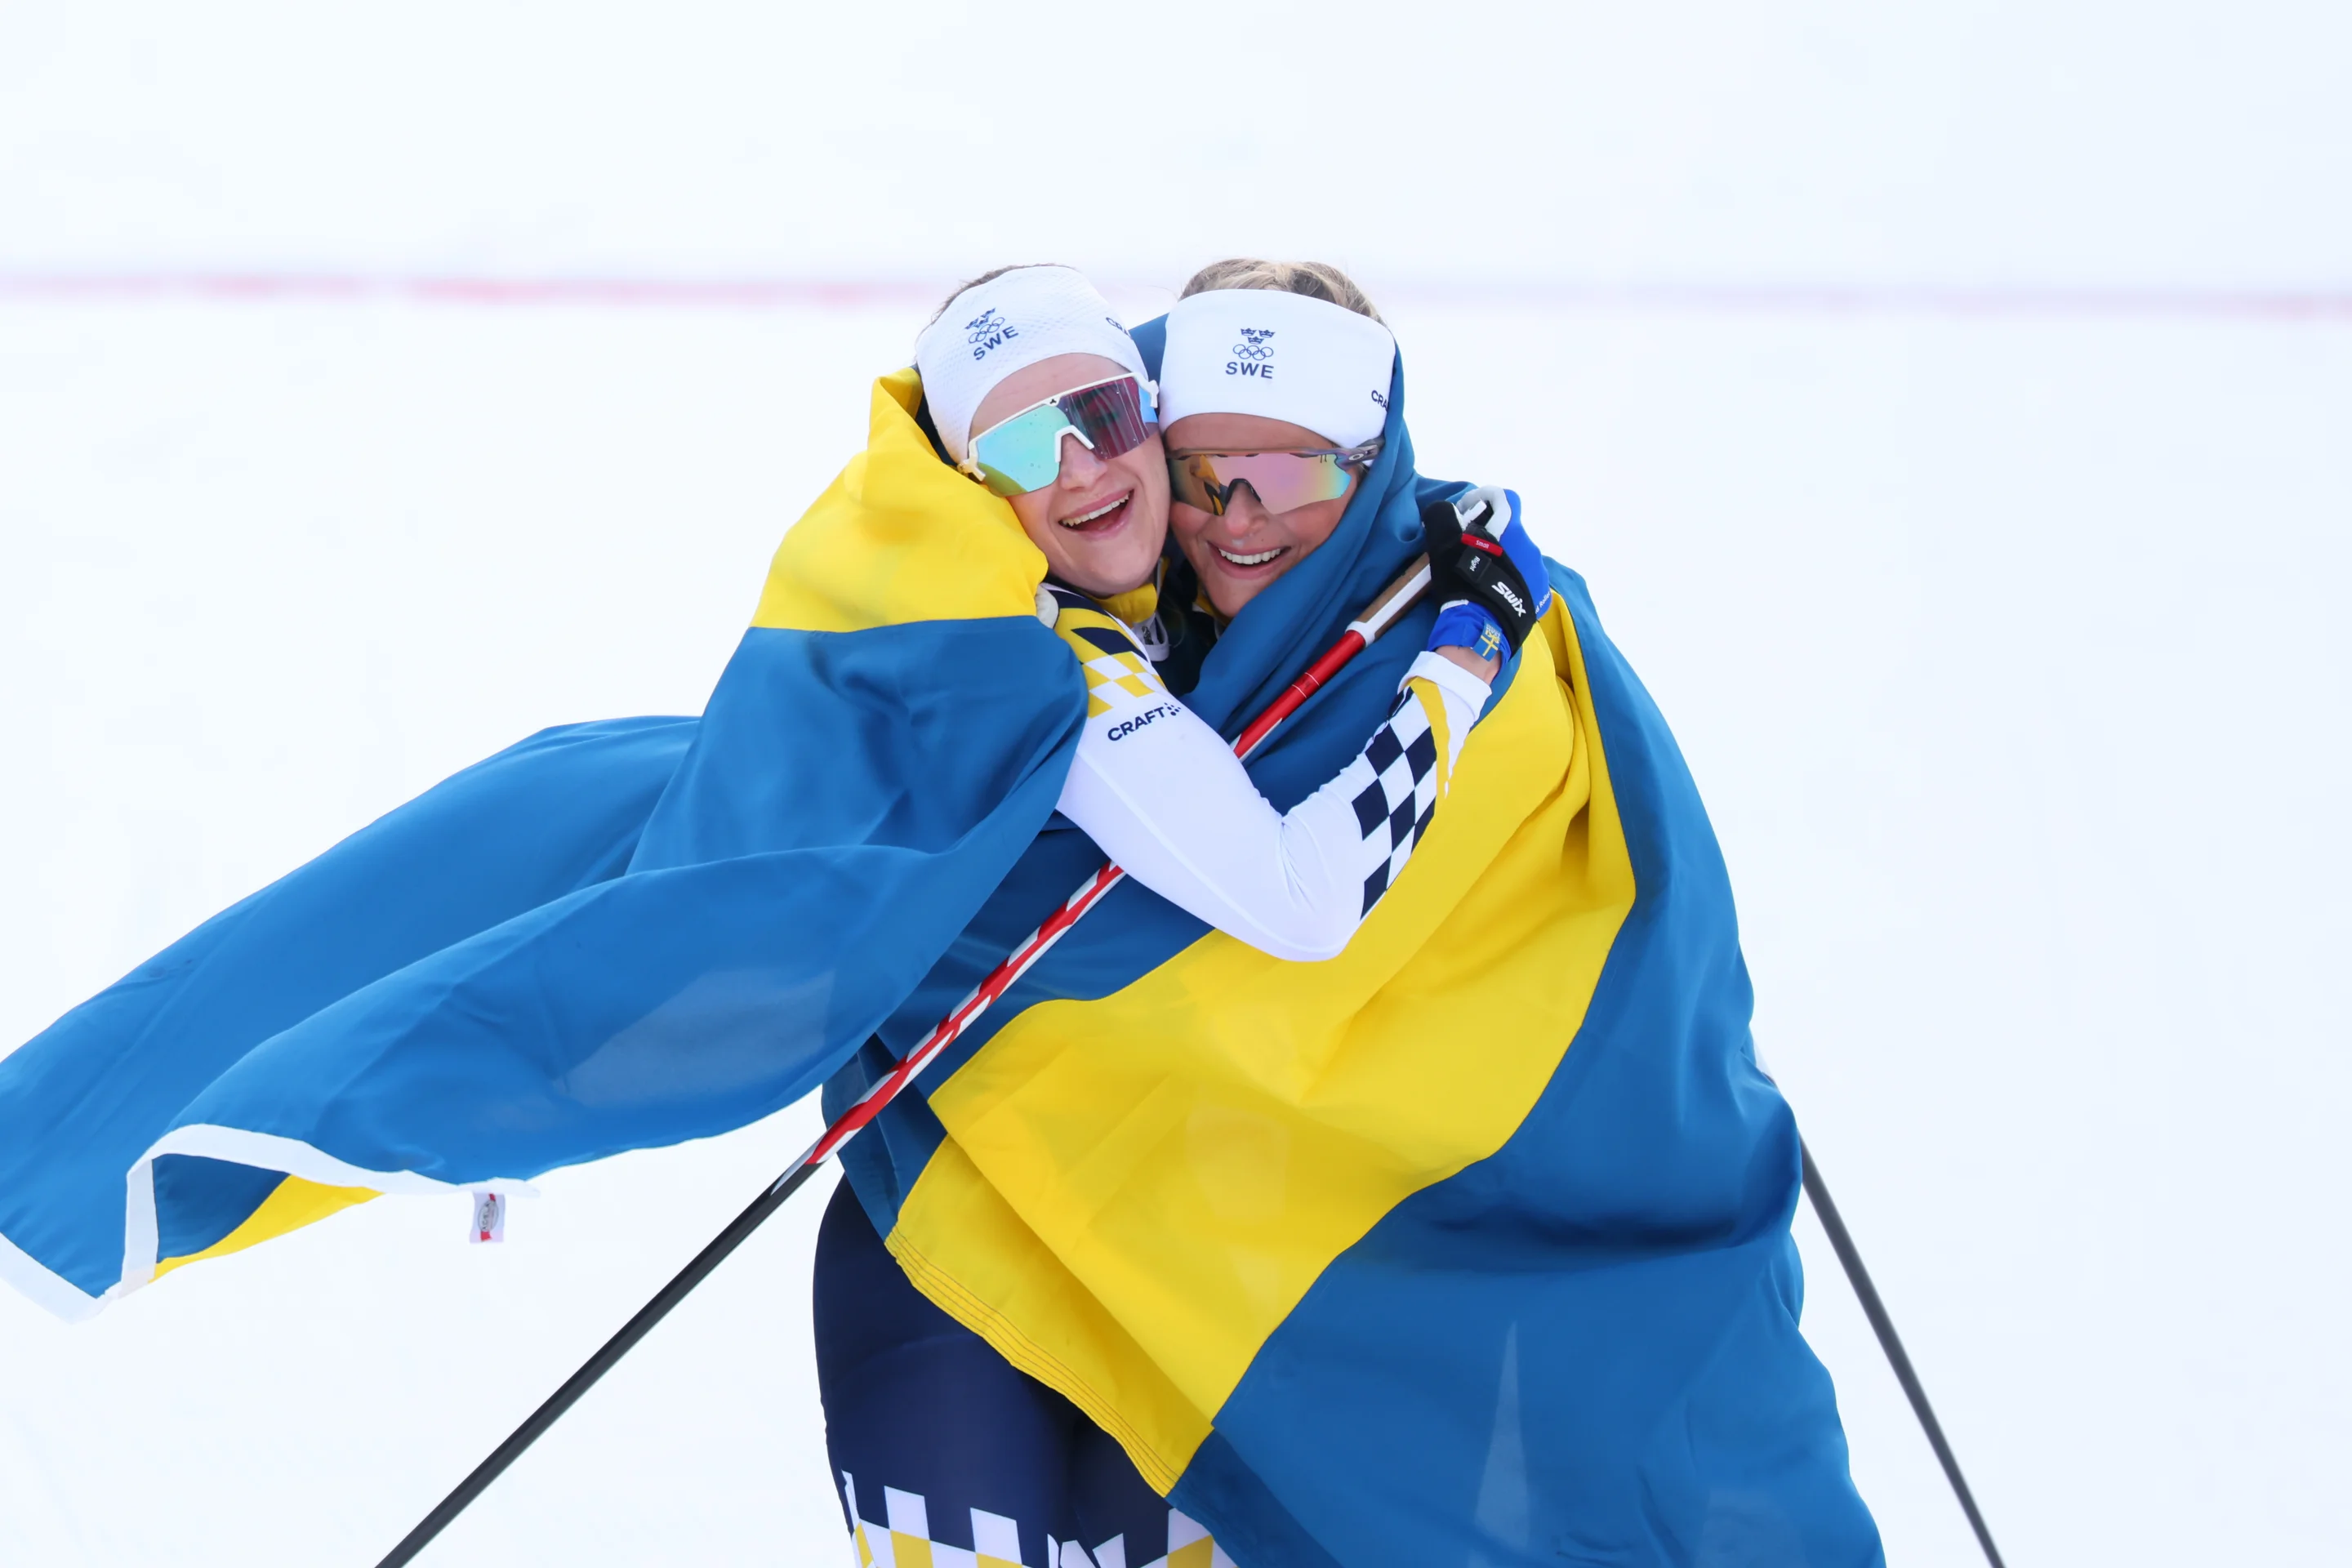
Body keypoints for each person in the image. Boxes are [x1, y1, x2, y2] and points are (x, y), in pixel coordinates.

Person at [813, 263, 1560, 1568]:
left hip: (1177, 1261)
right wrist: (1468, 654)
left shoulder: (1199, 625)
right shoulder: (1049, 651)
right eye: (1020, 446)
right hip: (961, 1254)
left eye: (1105, 418)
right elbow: (1306, 898)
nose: (1085, 469)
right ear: (968, 488)